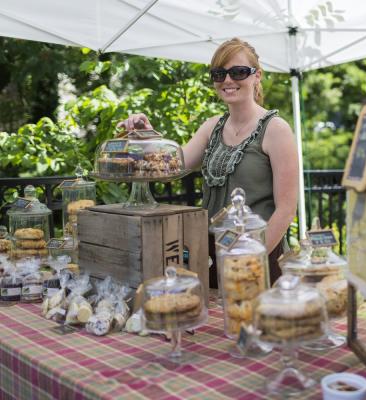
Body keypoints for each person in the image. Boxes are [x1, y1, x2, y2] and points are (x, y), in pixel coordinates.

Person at [118, 38, 299, 286]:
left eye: (238, 72)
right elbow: (174, 164)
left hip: (258, 257)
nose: (227, 80)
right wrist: (147, 134)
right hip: (211, 254)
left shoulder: (276, 129)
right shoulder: (212, 126)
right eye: (219, 73)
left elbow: (286, 209)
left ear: (257, 76)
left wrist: (249, 259)